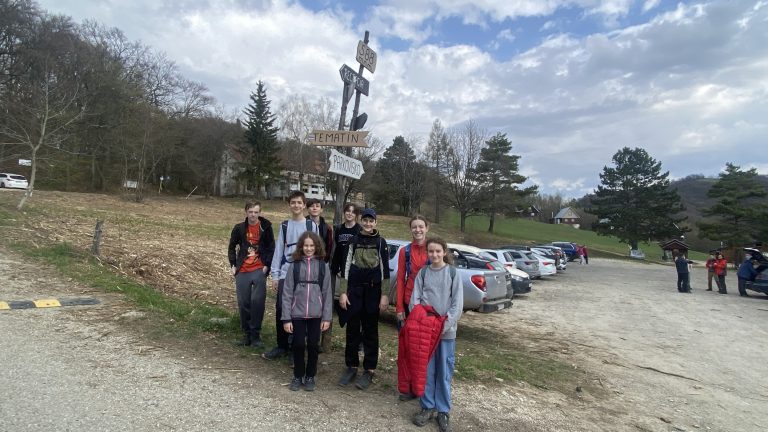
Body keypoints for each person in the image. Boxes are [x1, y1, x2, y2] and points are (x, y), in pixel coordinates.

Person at [410, 237, 462, 432]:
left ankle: (443, 410)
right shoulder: (423, 273)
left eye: (438, 251)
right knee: (427, 370)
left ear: (444, 252)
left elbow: (457, 304)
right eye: (431, 251)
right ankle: (427, 406)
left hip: (445, 333)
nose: (434, 255)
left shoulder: (453, 273)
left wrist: (443, 325)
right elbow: (415, 302)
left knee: (444, 371)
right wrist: (424, 323)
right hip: (425, 333)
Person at [337, 208, 389, 390]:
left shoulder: (381, 243)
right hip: (354, 290)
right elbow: (345, 269)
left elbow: (385, 271)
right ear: (361, 221)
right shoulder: (353, 240)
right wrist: (343, 292)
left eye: (371, 221)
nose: (368, 224)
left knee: (370, 331)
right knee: (352, 329)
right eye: (365, 220)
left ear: (375, 222)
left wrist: (384, 295)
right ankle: (351, 366)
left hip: (373, 292)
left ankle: (369, 368)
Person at [264, 191, 319, 360]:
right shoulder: (285, 226)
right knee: (282, 308)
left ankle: (296, 346)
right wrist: (275, 275)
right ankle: (282, 345)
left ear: (304, 205)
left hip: (304, 273)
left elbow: (316, 251)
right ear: (289, 205)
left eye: (299, 202)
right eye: (293, 202)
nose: (296, 205)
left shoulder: (311, 226)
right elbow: (279, 251)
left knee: (300, 310)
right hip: (286, 272)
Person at [282, 232, 333, 391]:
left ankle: (310, 375)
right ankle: (298, 375)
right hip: (296, 313)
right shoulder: (294, 265)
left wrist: (327, 317)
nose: (309, 248)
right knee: (297, 345)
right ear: (301, 247)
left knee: (312, 345)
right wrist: (286, 319)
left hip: (316, 314)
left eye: (312, 245)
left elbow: (327, 293)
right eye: (306, 245)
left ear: (317, 247)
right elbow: (287, 292)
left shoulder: (323, 267)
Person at [228, 201, 275, 348]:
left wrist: (267, 265)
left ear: (259, 213)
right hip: (242, 269)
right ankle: (246, 335)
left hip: (259, 268)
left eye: (256, 212)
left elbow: (271, 247)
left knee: (257, 302)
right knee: (244, 303)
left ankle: (256, 335)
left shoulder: (266, 227)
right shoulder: (239, 228)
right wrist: (233, 265)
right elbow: (231, 246)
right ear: (246, 212)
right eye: (250, 212)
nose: (253, 215)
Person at [306, 198, 334, 352]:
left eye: (317, 206)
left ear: (321, 209)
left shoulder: (327, 228)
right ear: (308, 208)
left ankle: (314, 341)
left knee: (317, 300)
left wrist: (323, 262)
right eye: (312, 206)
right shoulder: (304, 224)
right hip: (305, 264)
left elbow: (329, 246)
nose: (315, 208)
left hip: (320, 264)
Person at [396, 215, 430, 328]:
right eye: (414, 227)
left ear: (427, 228)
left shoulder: (434, 250)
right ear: (411, 229)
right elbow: (400, 279)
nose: (418, 230)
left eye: (421, 226)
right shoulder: (404, 251)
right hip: (409, 300)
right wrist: (399, 307)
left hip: (429, 301)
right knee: (409, 337)